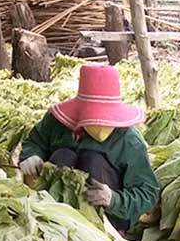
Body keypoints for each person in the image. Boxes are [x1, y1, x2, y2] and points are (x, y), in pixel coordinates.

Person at [19, 64, 159, 232]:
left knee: (93, 159)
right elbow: (35, 142)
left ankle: (104, 227)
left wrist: (114, 200)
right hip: (55, 211)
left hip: (106, 217)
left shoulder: (128, 140)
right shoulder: (57, 122)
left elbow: (148, 193)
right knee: (63, 155)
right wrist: (31, 155)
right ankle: (55, 222)